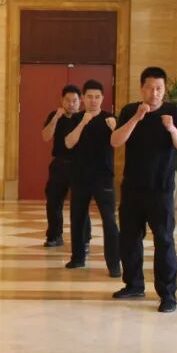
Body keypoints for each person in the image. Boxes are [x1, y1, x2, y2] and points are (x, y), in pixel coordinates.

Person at [109, 66, 177, 313]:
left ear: (164, 90)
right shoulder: (129, 111)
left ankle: (168, 294)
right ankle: (134, 284)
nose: (154, 93)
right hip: (132, 188)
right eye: (149, 88)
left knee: (164, 241)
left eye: (159, 89)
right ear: (141, 88)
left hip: (161, 190)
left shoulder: (174, 112)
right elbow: (115, 141)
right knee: (129, 239)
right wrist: (136, 118)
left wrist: (171, 129)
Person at [64, 79, 120, 276]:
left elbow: (119, 143)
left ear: (102, 98)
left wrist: (115, 129)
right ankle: (78, 258)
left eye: (97, 97)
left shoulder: (110, 119)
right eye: (89, 97)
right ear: (83, 98)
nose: (93, 100)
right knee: (78, 218)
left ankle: (114, 264)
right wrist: (83, 123)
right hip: (80, 177)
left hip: (103, 177)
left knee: (109, 221)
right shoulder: (75, 118)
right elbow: (68, 143)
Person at [41, 84, 90, 249]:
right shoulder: (55, 116)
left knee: (81, 203)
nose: (71, 104)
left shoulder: (84, 118)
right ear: (62, 100)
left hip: (80, 164)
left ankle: (84, 239)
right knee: (53, 201)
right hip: (59, 164)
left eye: (74, 100)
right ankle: (54, 235)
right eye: (67, 100)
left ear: (80, 101)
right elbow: (45, 137)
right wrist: (55, 118)